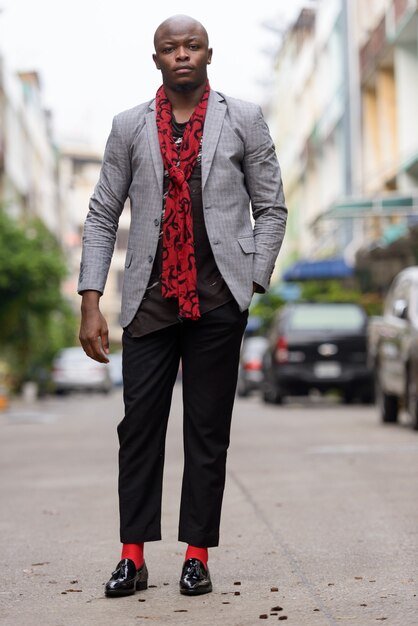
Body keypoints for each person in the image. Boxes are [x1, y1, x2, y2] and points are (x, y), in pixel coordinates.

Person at [78, 14, 287, 598]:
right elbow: (101, 214)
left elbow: (271, 208)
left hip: (220, 295)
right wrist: (91, 299)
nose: (182, 55)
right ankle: (132, 555)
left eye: (192, 45)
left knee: (206, 428)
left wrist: (254, 280)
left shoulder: (243, 118)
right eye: (171, 48)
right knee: (138, 426)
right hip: (149, 298)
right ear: (157, 61)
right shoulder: (128, 127)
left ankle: (196, 554)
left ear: (208, 54)